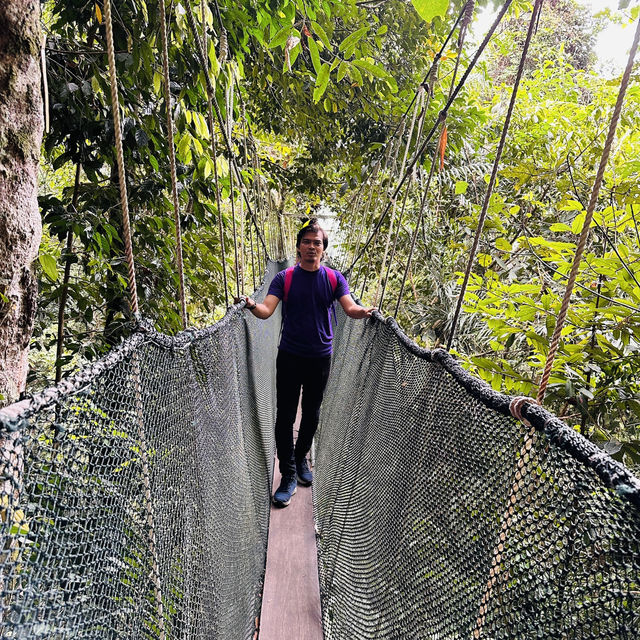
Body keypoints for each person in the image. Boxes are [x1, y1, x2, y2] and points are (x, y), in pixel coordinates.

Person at [239, 218, 375, 507]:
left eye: (317, 243)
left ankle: (301, 459)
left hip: (320, 358)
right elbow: (266, 310)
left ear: (323, 250)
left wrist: (364, 311)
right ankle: (287, 473)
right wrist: (251, 305)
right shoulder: (284, 278)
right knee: (285, 416)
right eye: (307, 242)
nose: (312, 247)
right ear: (298, 247)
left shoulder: (335, 279)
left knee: (311, 414)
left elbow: (349, 308)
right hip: (289, 355)